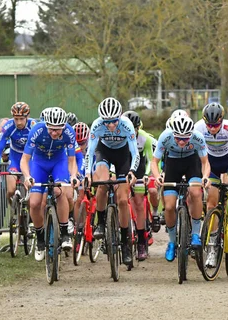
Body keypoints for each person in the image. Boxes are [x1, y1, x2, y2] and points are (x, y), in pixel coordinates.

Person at [85, 97, 139, 267]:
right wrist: (87, 173)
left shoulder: (127, 125)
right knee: (101, 184)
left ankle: (125, 244)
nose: (110, 126)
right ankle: (100, 223)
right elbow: (90, 152)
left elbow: (135, 153)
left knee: (123, 200)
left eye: (113, 121)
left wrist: (131, 171)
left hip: (123, 155)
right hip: (104, 153)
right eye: (107, 122)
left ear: (120, 117)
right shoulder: (96, 125)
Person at [21, 107, 78, 261]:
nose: (54, 133)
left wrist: (73, 175)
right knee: (34, 203)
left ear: (63, 127)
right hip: (39, 164)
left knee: (60, 192)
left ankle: (65, 233)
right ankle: (40, 239)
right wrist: (27, 176)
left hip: (59, 162)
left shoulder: (69, 132)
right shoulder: (37, 130)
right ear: (46, 125)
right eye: (51, 130)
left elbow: (72, 160)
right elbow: (25, 159)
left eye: (58, 130)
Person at [151, 114, 210, 262]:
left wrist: (205, 177)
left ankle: (195, 234)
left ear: (191, 134)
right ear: (173, 134)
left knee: (195, 192)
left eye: (186, 138)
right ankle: (171, 242)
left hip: (192, 163)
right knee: (170, 206)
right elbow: (154, 161)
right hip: (173, 164)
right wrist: (158, 175)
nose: (182, 142)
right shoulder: (165, 136)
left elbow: (205, 162)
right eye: (178, 138)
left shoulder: (197, 137)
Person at [194, 103, 228, 215]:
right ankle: (214, 232)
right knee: (211, 204)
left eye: (216, 125)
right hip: (211, 164)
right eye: (209, 125)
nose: (213, 128)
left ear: (222, 121)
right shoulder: (198, 127)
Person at [123, 110, 158, 261]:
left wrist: (146, 175)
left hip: (139, 169)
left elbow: (151, 160)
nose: (133, 131)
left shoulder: (145, 138)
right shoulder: (119, 136)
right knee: (121, 200)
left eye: (135, 128)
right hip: (123, 166)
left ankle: (141, 242)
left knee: (138, 203)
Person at [0, 102, 36, 208]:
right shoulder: (8, 127)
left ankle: (30, 219)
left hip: (30, 158)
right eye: (16, 119)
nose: (19, 122)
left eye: (21, 118)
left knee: (31, 192)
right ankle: (12, 207)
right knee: (11, 190)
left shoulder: (34, 125)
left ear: (28, 117)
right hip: (15, 158)